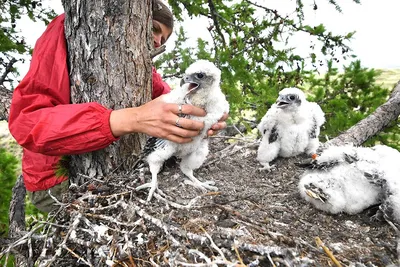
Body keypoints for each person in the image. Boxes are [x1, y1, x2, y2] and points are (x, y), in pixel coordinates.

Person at [8, 0, 228, 213]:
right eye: (154, 28)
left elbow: (168, 98)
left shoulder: (140, 65)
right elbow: (26, 122)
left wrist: (203, 114)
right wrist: (129, 120)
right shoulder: (67, 31)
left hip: (121, 170)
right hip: (55, 181)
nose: (159, 42)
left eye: (164, 38)